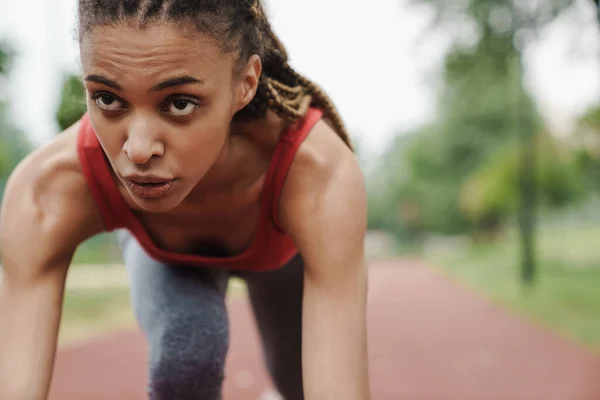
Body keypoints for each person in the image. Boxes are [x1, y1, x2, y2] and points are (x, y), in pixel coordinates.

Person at [0, 1, 370, 399]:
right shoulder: (50, 189)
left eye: (179, 103)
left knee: (296, 382)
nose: (138, 150)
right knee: (188, 351)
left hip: (282, 252)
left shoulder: (316, 174)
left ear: (245, 84)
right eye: (108, 99)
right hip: (162, 255)